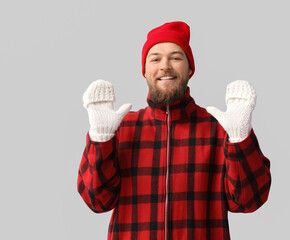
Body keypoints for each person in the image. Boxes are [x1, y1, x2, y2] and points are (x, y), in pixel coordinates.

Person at [77, 21, 271, 240]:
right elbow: (97, 200)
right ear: (145, 71)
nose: (165, 66)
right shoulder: (120, 130)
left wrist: (239, 138)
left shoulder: (221, 129)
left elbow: (248, 200)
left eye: (176, 57)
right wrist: (101, 138)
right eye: (155, 58)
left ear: (190, 69)